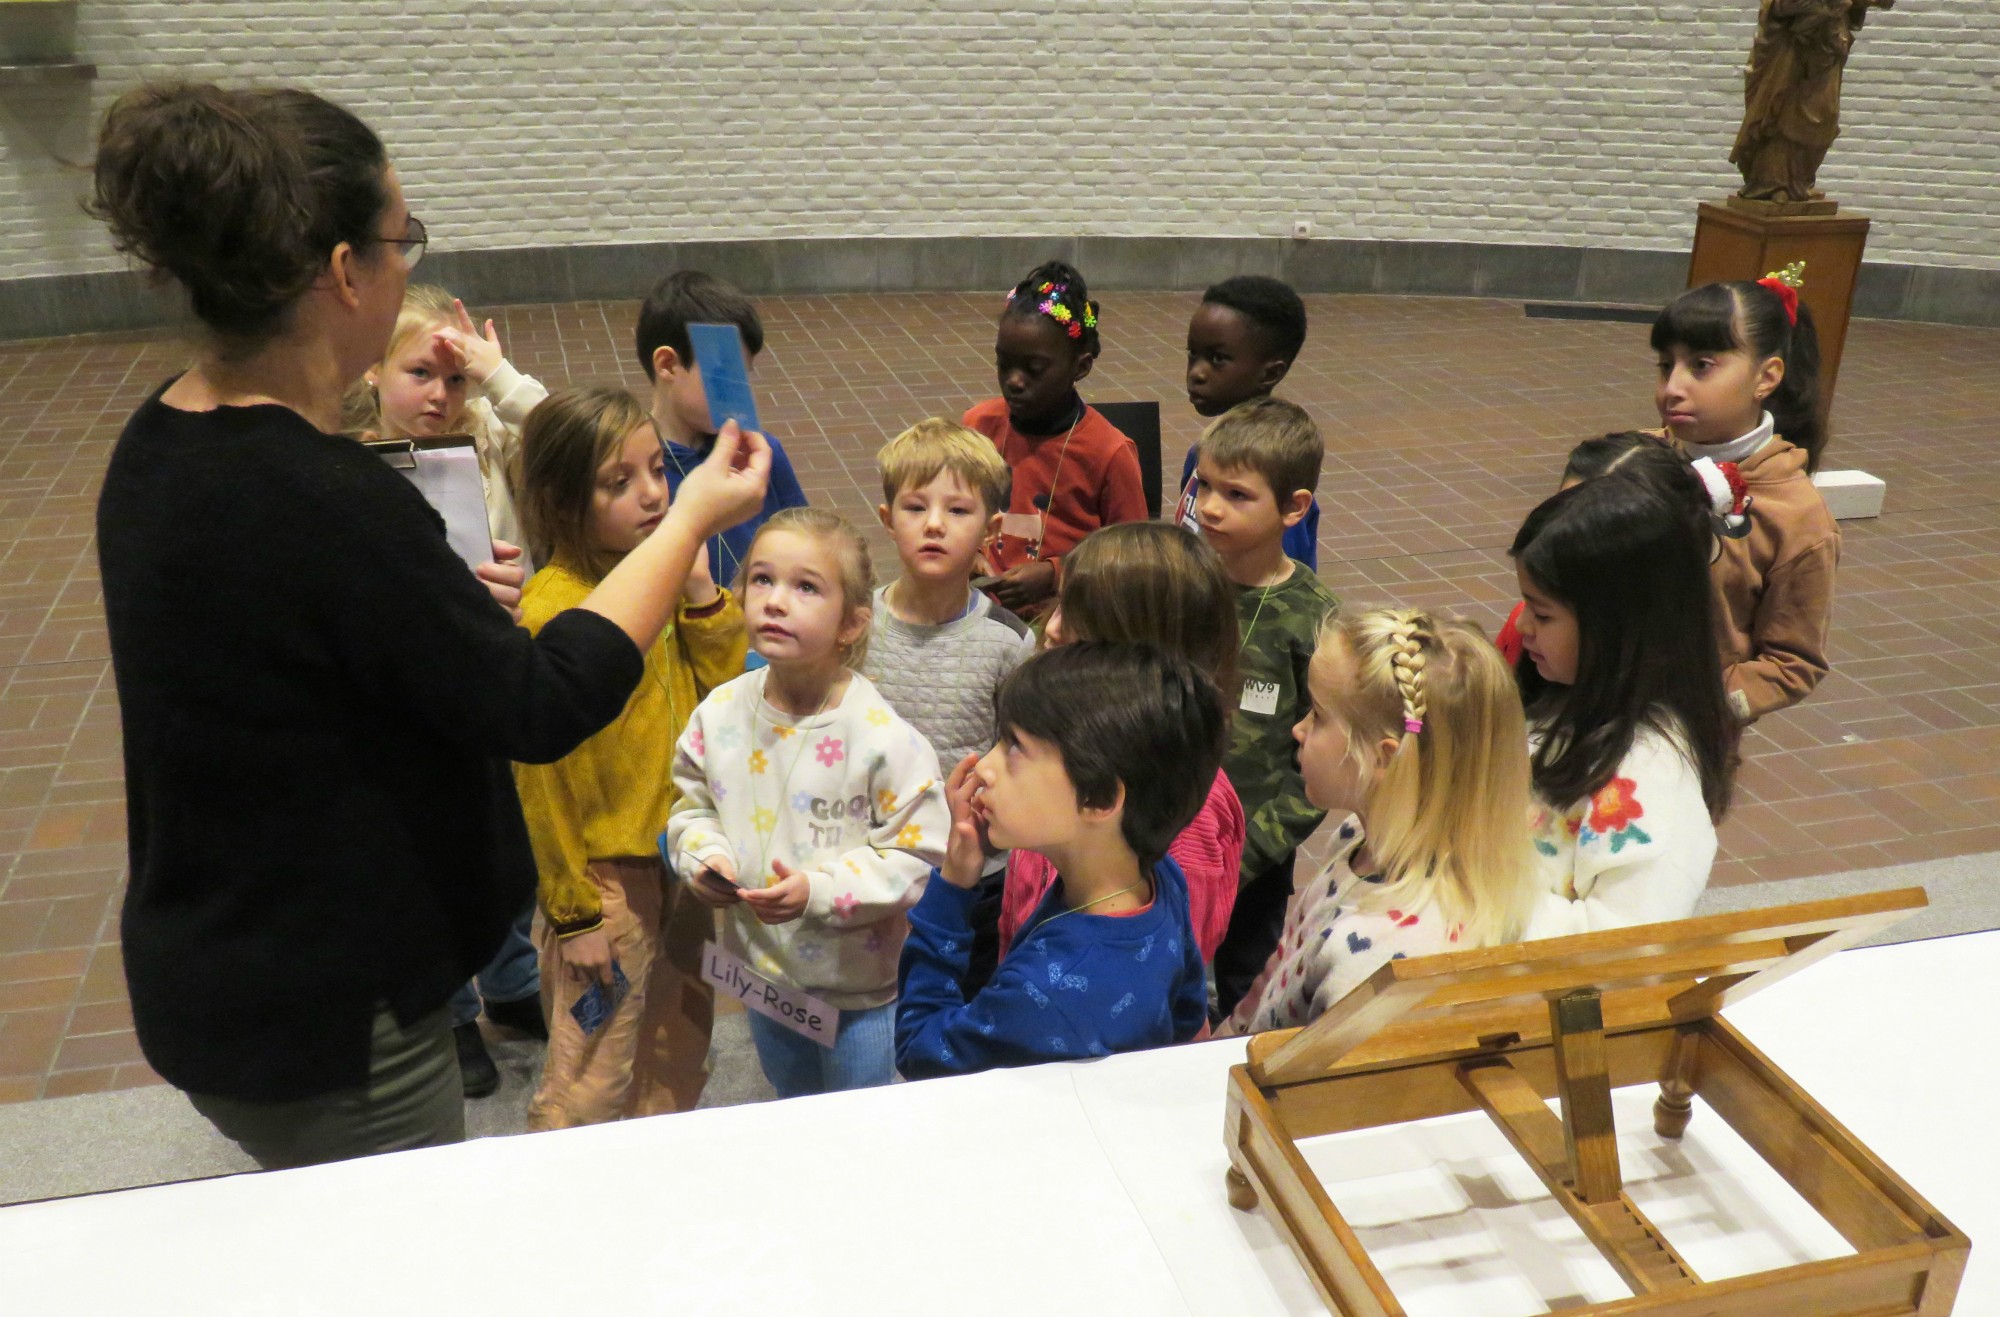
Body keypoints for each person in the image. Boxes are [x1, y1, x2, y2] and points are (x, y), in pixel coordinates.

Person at [87, 82, 770, 1168]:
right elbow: (542, 703)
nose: (411, 261)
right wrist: (686, 517)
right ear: (346, 272)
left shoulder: (160, 439)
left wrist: (435, 620)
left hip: (215, 968)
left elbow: (305, 674)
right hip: (335, 1011)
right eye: (405, 239)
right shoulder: (326, 498)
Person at [511, 388, 747, 1129]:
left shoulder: (662, 573)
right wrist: (574, 914)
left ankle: (654, 1173)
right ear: (560, 501)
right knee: (594, 1062)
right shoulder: (556, 608)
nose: (653, 495)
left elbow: (726, 705)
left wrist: (706, 597)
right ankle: (568, 1194)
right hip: (606, 883)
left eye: (656, 469)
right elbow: (540, 777)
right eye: (619, 482)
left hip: (678, 856)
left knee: (677, 1036)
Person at [344, 283, 551, 1092]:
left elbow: (569, 436)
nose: (440, 395)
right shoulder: (354, 469)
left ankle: (511, 983)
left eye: (453, 378)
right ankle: (455, 1011)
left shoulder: (490, 440)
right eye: (419, 374)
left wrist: (497, 375)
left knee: (510, 839)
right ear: (372, 373)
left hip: (496, 666)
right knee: (437, 844)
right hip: (415, 691)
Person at [668, 510, 948, 1098]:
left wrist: (817, 891)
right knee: (792, 1102)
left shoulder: (881, 737)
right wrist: (705, 860)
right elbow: (691, 810)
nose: (774, 601)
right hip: (763, 976)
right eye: (762, 580)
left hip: (858, 990)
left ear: (850, 623)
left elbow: (915, 853)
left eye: (806, 587)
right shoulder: (718, 715)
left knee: (856, 1120)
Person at [896, 644, 1218, 1078]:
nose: (983, 768)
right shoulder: (1158, 876)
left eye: (1014, 748)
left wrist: (953, 886)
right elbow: (1185, 1012)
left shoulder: (1043, 992)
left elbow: (920, 1051)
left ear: (1099, 796)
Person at [1220, 609, 1539, 1035]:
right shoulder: (1359, 837)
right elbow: (1282, 966)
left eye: (1317, 715)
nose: (1298, 729)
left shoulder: (1376, 955)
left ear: (1384, 758)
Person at [1511, 463, 1740, 938]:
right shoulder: (1559, 699)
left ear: (1617, 626)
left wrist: (1463, 894)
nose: (1522, 627)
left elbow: (1625, 947)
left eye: (1543, 613)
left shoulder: (1653, 770)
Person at [1006, 522, 1245, 967]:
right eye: (1059, 605)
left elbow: (1159, 976)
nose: (1052, 629)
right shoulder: (1073, 746)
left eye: (1079, 620)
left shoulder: (1187, 815)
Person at [861, 419, 1035, 993]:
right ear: (888, 521)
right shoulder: (853, 627)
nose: (934, 524)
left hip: (973, 876)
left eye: (957, 511)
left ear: (992, 529)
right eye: (915, 507)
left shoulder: (1009, 642)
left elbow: (1021, 754)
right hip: (867, 860)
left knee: (958, 1005)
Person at [1185, 397, 1340, 1020]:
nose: (1210, 507)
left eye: (1237, 494)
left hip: (1254, 863)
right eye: (1204, 486)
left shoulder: (1312, 617)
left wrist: (1249, 852)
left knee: (1239, 986)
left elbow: (1324, 756)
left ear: (1294, 508)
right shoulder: (1183, 584)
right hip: (1169, 841)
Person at [1653, 269, 1839, 722]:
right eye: (1665, 365)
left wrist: (1697, 710)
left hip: (1684, 733)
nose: (1672, 388)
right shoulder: (1635, 460)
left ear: (1766, 376)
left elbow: (1791, 665)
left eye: (1701, 365)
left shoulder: (1798, 518)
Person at [963, 260, 1147, 619]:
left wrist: (1054, 574)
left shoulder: (1109, 452)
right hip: (979, 610)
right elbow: (954, 510)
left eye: (1034, 370)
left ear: (1081, 366)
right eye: (1004, 364)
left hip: (1064, 619)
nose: (1014, 381)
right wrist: (972, 554)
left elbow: (1132, 558)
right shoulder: (978, 426)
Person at [637, 270, 809, 590]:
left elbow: (809, 545)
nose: (740, 389)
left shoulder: (762, 454)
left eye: (745, 374)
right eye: (726, 374)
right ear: (667, 365)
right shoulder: (638, 478)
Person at [1173, 276, 1320, 567]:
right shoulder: (1201, 455)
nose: (1197, 372)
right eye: (1193, 354)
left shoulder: (1275, 492)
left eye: (1218, 358)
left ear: (1270, 373)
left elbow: (1279, 585)